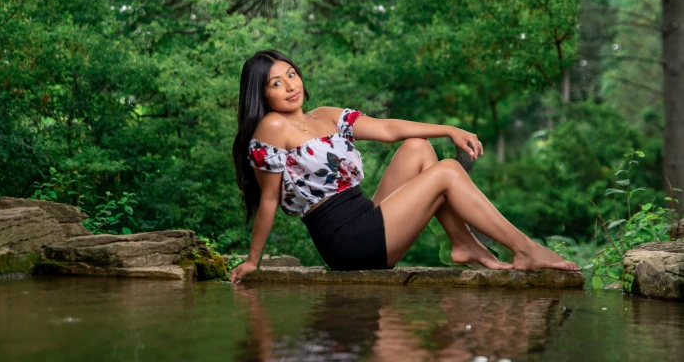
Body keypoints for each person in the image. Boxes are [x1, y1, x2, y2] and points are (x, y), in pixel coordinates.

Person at [230, 49, 579, 284]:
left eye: (291, 74)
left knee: (417, 147)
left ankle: (463, 243)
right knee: (447, 172)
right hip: (346, 241)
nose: (291, 86)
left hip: (364, 215)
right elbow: (269, 201)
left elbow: (388, 129)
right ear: (262, 96)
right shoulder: (272, 128)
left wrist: (449, 129)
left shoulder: (324, 115)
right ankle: (525, 249)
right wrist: (252, 260)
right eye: (276, 83)